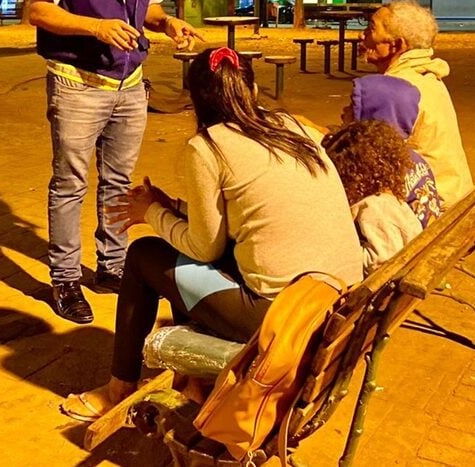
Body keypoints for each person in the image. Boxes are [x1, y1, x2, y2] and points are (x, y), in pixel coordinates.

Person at [58, 47, 363, 420]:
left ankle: (119, 388)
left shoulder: (208, 147)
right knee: (181, 260)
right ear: (252, 90)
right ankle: (196, 379)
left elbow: (204, 248)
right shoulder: (291, 126)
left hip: (284, 317)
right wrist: (171, 206)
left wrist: (150, 213)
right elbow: (246, 214)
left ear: (195, 101)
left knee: (143, 256)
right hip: (339, 302)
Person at [26, 0, 202, 324]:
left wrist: (168, 23)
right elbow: (39, 10)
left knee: (119, 182)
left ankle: (112, 265)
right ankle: (65, 278)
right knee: (70, 183)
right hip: (77, 83)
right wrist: (96, 27)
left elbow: (148, 9)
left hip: (130, 85)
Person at [361, 0, 473, 207]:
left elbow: (368, 161)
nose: (362, 35)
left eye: (371, 29)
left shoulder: (396, 89)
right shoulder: (427, 76)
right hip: (454, 194)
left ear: (397, 45)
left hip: (433, 205)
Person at [323, 120, 424, 274]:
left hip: (384, 282)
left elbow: (379, 261)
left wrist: (344, 254)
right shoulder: (394, 200)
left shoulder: (373, 207)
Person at [343, 74, 443, 228]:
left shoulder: (370, 171)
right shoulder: (412, 158)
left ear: (373, 116)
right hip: (426, 236)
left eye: (353, 105)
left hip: (402, 242)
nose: (345, 110)